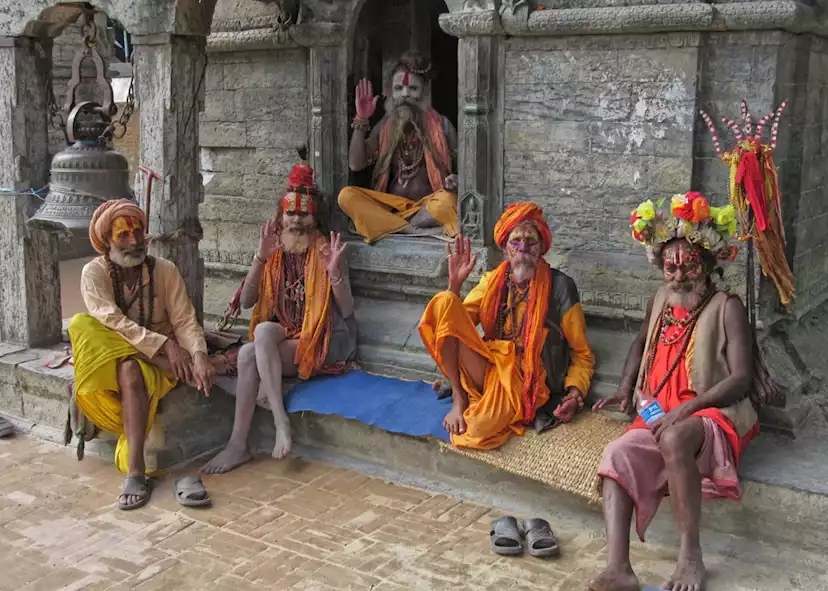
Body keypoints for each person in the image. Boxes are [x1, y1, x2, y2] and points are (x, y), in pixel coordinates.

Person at [589, 192, 777, 591]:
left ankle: (690, 556)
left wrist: (690, 406)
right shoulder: (660, 299)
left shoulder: (728, 307)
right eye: (670, 268)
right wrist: (626, 387)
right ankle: (618, 567)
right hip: (657, 411)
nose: (678, 276)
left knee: (674, 436)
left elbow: (741, 378)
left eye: (688, 265)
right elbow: (641, 343)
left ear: (706, 266)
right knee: (616, 452)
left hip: (712, 415)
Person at [202, 152, 357, 474]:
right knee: (258, 337)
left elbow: (347, 310)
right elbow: (246, 302)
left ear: (315, 218)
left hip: (325, 340)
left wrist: (335, 274)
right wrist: (260, 258)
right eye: (290, 214)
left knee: (251, 351)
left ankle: (266, 426)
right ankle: (246, 440)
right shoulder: (273, 251)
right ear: (280, 216)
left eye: (304, 215)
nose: (296, 221)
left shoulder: (325, 250)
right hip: (284, 338)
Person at [69, 199, 227, 510]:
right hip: (111, 360)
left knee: (131, 369)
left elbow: (184, 320)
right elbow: (109, 321)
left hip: (153, 369)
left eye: (138, 232)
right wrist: (163, 347)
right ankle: (149, 357)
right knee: (81, 324)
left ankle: (135, 471)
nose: (134, 241)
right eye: (123, 236)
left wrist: (197, 355)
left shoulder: (164, 270)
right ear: (107, 241)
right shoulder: (93, 273)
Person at [418, 202, 595, 449]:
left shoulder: (561, 287)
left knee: (476, 429)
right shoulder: (492, 280)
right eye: (516, 241)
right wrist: (455, 285)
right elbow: (454, 326)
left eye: (531, 242)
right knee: (445, 301)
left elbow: (582, 353)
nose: (523, 248)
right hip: (489, 364)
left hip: (524, 379)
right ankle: (460, 398)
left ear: (541, 248)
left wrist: (575, 393)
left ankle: (480, 402)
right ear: (505, 248)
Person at [338, 50, 459, 243]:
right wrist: (361, 118)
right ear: (391, 93)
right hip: (391, 209)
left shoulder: (442, 126)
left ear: (425, 91)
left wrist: (457, 180)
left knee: (450, 202)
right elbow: (356, 164)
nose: (404, 95)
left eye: (412, 88)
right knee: (346, 196)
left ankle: (390, 227)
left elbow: (467, 169)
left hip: (428, 209)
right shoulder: (385, 126)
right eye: (398, 89)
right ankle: (409, 230)